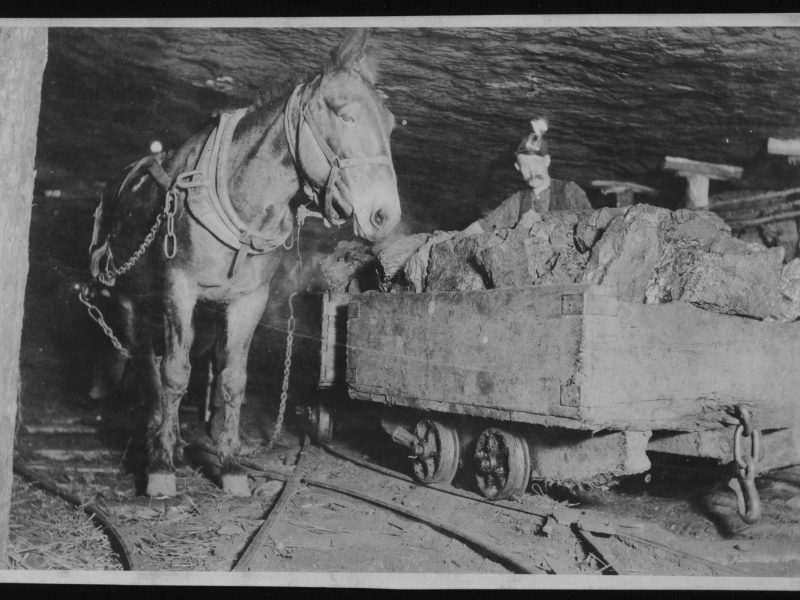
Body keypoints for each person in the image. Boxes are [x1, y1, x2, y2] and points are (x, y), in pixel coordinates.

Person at [463, 118, 591, 234]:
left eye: (536, 162)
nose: (532, 171)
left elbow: (591, 225)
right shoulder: (517, 201)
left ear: (547, 161)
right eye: (525, 165)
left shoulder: (570, 191)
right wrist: (453, 237)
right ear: (518, 168)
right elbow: (486, 225)